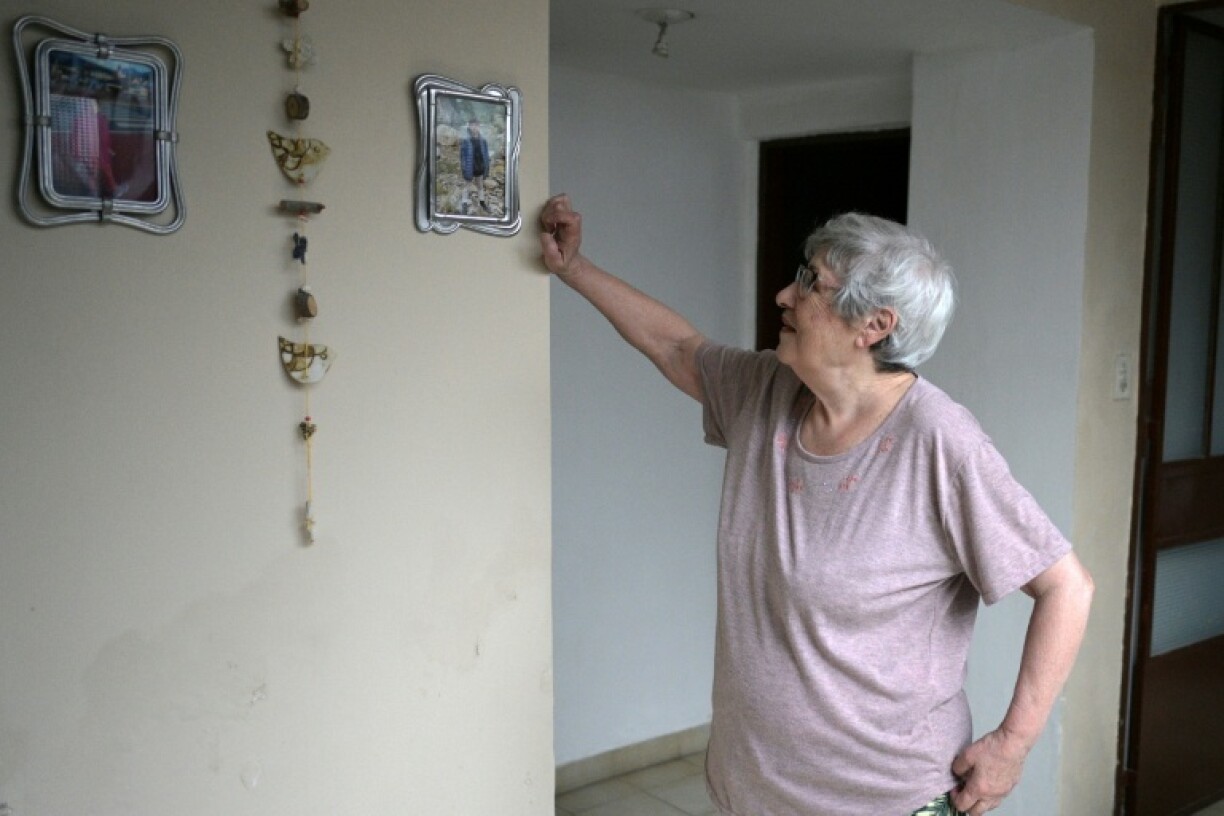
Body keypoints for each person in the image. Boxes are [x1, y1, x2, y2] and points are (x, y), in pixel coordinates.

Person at [539, 194, 1094, 816]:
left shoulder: (938, 440)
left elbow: (1067, 588)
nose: (784, 294)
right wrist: (574, 269)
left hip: (884, 799)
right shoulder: (766, 393)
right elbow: (676, 348)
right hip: (752, 790)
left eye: (810, 282)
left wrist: (1013, 744)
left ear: (874, 325)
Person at [458, 119, 491, 214]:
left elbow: (486, 155)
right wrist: (464, 168)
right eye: (472, 125)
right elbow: (462, 156)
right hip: (470, 167)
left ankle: (482, 203)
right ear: (469, 126)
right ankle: (464, 204)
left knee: (480, 186)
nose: (474, 127)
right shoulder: (465, 140)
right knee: (467, 186)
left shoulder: (483, 140)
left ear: (479, 126)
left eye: (476, 125)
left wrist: (486, 166)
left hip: (480, 166)